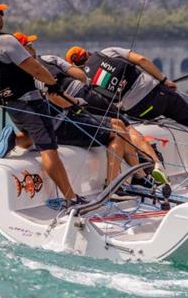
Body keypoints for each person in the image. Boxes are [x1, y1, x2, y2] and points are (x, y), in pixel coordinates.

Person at [14, 33, 167, 184]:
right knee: (125, 127)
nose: (32, 46)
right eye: (29, 44)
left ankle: (138, 173)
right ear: (27, 48)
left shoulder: (22, 76)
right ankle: (153, 165)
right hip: (79, 96)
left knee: (114, 127)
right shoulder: (47, 59)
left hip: (67, 109)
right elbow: (80, 76)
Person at [0, 0, 82, 205]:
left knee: (34, 137)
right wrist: (53, 84)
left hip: (8, 103)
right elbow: (35, 68)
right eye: (1, 14)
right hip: (28, 102)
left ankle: (14, 139)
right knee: (48, 147)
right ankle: (71, 198)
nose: (3, 18)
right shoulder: (5, 41)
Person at [65, 46, 188, 170]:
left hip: (138, 110)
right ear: (87, 52)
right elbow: (141, 60)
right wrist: (164, 80)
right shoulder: (107, 52)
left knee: (133, 129)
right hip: (159, 95)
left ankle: (153, 165)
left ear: (74, 65)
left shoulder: (85, 79)